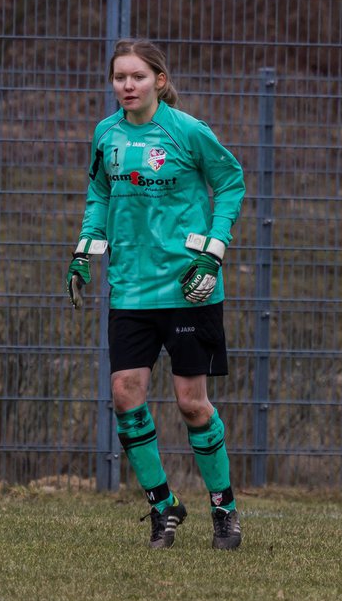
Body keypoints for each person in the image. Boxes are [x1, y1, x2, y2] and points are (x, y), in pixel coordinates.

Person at [66, 38, 246, 550]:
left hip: (190, 289)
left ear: (158, 82)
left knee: (192, 404)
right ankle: (163, 508)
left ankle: (224, 510)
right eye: (120, 77)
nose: (127, 85)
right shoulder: (106, 134)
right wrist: (83, 251)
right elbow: (98, 192)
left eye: (138, 77)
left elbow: (230, 182)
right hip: (130, 288)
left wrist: (213, 251)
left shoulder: (188, 131)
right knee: (126, 393)